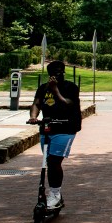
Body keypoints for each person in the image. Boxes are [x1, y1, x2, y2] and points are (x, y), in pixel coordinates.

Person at [27, 60, 81, 209]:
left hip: (66, 128)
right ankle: (55, 194)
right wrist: (33, 116)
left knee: (53, 162)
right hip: (47, 127)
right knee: (48, 161)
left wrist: (55, 90)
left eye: (58, 73)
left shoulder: (70, 87)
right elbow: (37, 103)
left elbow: (67, 104)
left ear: (63, 72)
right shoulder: (43, 88)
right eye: (52, 73)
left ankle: (55, 194)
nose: (56, 76)